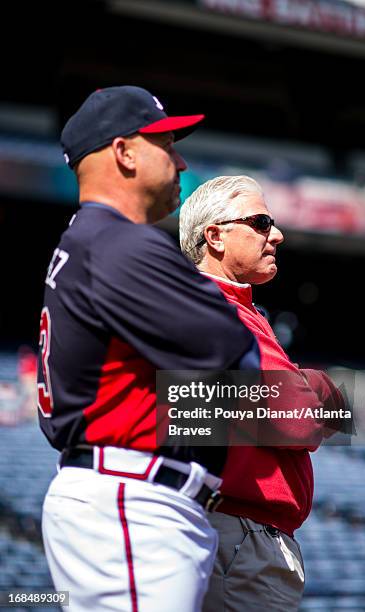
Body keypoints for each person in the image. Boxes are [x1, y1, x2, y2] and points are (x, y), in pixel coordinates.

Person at [37, 88, 259, 612]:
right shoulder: (118, 243)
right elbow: (238, 363)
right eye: (165, 142)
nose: (180, 159)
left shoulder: (87, 241)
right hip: (132, 500)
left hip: (124, 497)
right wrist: (318, 411)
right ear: (125, 153)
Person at [179, 175, 347, 612]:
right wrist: (320, 386)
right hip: (239, 536)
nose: (277, 234)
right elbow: (302, 421)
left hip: (237, 536)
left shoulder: (232, 307)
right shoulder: (214, 307)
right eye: (260, 222)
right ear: (214, 236)